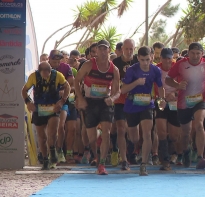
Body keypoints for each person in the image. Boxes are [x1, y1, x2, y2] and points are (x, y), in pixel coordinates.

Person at [165, 42, 205, 169]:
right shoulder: (181, 64)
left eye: (198, 53)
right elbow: (167, 79)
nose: (195, 56)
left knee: (199, 124)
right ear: (188, 53)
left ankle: (200, 157)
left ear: (202, 54)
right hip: (184, 102)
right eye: (193, 53)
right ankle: (186, 152)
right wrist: (177, 85)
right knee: (185, 132)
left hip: (201, 100)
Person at [75, 39, 121, 175]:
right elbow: (77, 81)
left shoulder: (114, 69)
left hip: (104, 102)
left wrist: (112, 99)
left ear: (109, 50)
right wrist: (81, 98)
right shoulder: (89, 65)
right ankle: (96, 155)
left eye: (104, 49)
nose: (102, 51)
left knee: (107, 132)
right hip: (89, 101)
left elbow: (118, 90)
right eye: (99, 49)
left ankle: (102, 164)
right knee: (91, 138)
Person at [121, 46, 166, 176]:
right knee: (134, 138)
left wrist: (162, 99)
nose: (145, 63)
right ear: (138, 58)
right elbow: (123, 90)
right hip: (132, 105)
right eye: (142, 60)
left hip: (147, 104)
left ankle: (144, 164)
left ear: (151, 57)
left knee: (147, 134)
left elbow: (160, 86)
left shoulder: (155, 70)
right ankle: (136, 148)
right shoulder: (132, 70)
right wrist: (136, 82)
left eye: (147, 59)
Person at [22, 62, 71, 170]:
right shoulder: (33, 77)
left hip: (53, 108)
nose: (46, 75)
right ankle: (45, 159)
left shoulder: (58, 75)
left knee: (52, 133)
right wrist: (28, 102)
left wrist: (62, 101)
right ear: (39, 72)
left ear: (50, 71)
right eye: (43, 73)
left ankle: (53, 150)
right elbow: (24, 90)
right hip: (39, 109)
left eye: (47, 72)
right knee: (42, 137)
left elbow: (67, 86)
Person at [111, 38, 139, 170]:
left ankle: (133, 152)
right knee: (121, 129)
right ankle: (124, 159)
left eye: (131, 49)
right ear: (122, 49)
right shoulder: (115, 63)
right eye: (126, 49)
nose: (128, 51)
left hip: (136, 101)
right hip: (120, 101)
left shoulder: (139, 61)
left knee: (134, 133)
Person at [154, 48, 182, 171]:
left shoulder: (178, 68)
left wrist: (174, 95)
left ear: (172, 58)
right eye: (164, 58)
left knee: (174, 135)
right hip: (160, 100)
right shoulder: (156, 69)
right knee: (161, 131)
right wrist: (162, 97)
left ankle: (173, 153)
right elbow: (154, 85)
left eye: (169, 58)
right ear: (160, 58)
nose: (167, 61)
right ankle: (164, 160)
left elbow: (183, 85)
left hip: (175, 102)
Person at [48, 50, 75, 164]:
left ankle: (60, 151)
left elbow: (72, 85)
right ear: (49, 60)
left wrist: (64, 92)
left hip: (63, 101)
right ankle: (51, 152)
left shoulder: (66, 67)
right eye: (54, 61)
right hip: (47, 103)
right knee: (50, 130)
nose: (56, 64)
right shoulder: (44, 68)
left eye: (58, 61)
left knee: (61, 126)